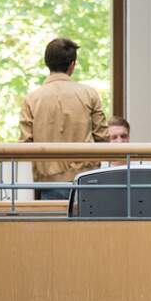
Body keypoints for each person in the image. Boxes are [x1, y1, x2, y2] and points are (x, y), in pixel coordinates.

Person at [18, 37, 107, 200]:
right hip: (85, 178)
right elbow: (103, 137)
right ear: (72, 65)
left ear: (47, 63)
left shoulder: (32, 99)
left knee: (53, 217)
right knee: (86, 217)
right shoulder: (89, 94)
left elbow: (25, 143)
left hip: (48, 180)